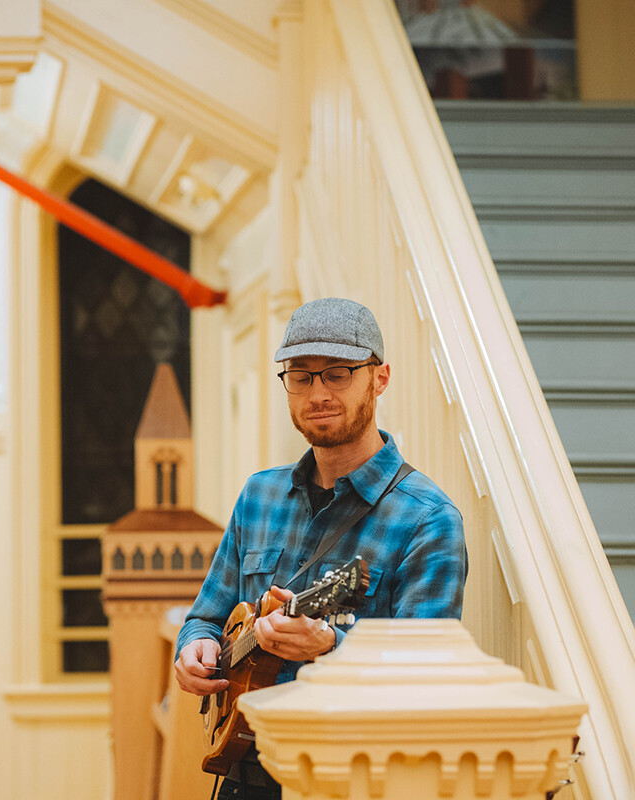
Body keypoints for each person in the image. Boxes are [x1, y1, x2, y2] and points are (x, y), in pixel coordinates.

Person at [174, 297, 468, 799]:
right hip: (241, 775)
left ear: (380, 378)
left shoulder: (428, 519)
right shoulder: (258, 496)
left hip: (351, 782)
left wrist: (330, 648)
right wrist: (193, 648)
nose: (318, 393)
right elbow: (205, 617)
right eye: (301, 375)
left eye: (338, 373)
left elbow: (425, 675)